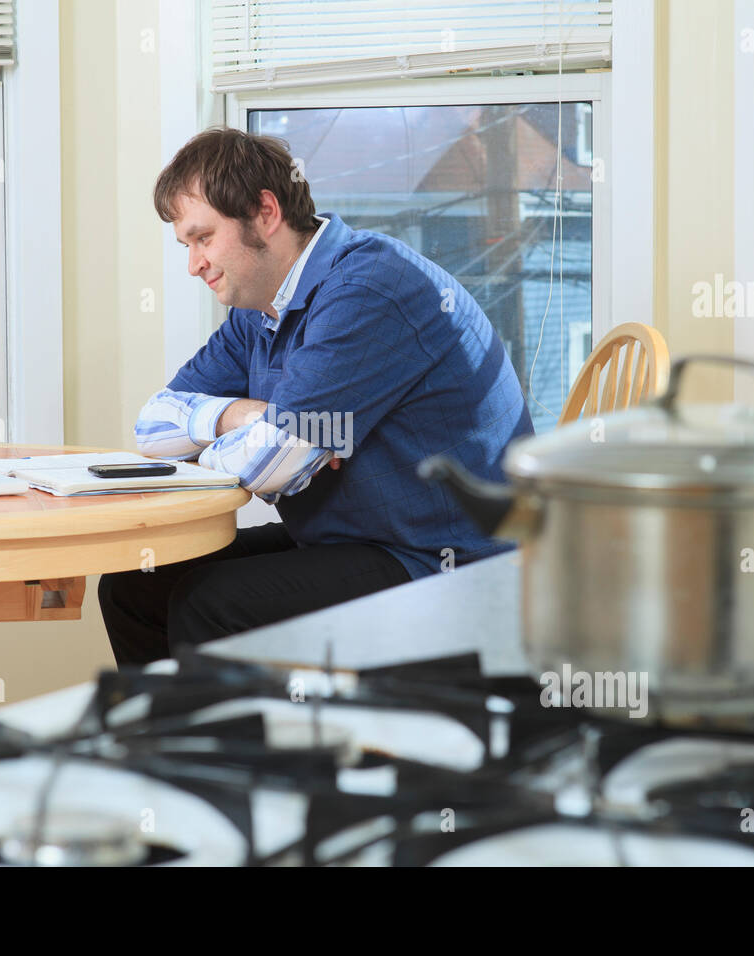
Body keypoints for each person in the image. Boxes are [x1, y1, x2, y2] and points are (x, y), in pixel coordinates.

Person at [98, 127, 534, 666]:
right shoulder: (260, 311)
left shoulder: (367, 289)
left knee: (209, 604)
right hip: (361, 542)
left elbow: (267, 468)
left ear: (265, 211)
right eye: (186, 245)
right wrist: (243, 416)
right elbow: (153, 427)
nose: (194, 264)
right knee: (135, 583)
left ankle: (226, 749)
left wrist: (265, 438)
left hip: (449, 567)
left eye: (203, 237)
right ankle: (157, 747)